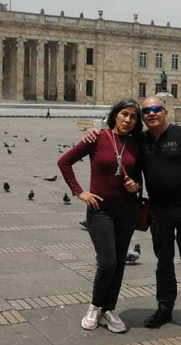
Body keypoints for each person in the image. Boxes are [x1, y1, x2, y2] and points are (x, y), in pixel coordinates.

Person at [85, 97, 181, 339]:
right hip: (158, 210)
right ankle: (164, 308)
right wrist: (91, 133)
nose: (151, 113)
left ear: (165, 112)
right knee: (163, 263)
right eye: (146, 111)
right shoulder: (140, 140)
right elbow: (117, 146)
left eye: (156, 109)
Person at [58, 99, 143, 333]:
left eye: (133, 117)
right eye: (124, 114)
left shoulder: (137, 143)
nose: (127, 120)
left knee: (119, 263)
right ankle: (96, 306)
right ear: (115, 115)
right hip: (100, 211)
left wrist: (136, 186)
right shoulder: (97, 138)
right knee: (107, 262)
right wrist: (80, 192)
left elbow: (139, 176)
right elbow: (64, 162)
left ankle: (110, 309)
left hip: (127, 211)